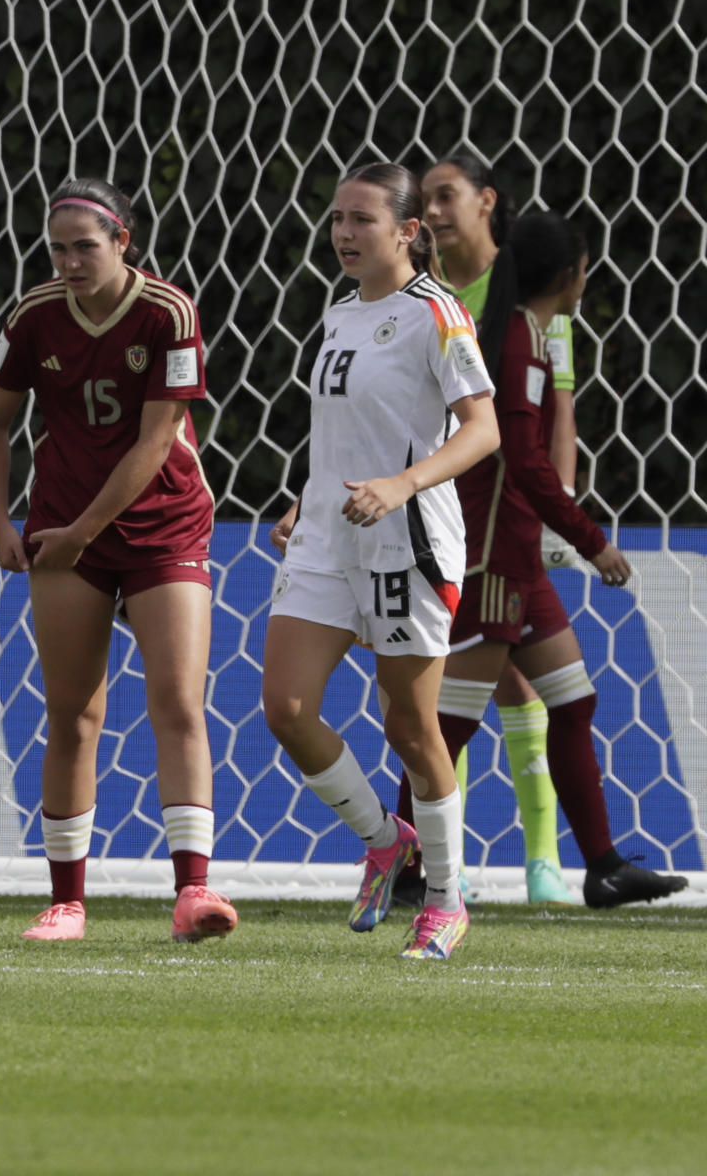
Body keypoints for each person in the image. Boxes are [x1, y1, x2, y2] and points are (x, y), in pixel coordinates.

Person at [0, 178, 237, 944]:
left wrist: (85, 528)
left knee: (178, 703)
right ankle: (66, 903)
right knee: (72, 714)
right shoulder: (32, 314)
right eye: (57, 247)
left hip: (162, 523)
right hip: (62, 530)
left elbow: (158, 441)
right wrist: (0, 521)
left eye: (85, 245)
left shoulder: (168, 311)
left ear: (124, 243)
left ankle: (193, 893)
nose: (69, 260)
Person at [263, 161, 499, 962]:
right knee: (285, 709)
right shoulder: (337, 315)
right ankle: (382, 840)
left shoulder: (439, 314)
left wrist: (402, 483)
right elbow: (341, 432)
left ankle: (444, 898)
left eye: (362, 220)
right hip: (331, 533)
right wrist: (308, 498)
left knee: (409, 724)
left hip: (411, 536)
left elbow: (482, 429)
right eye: (337, 219)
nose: (343, 233)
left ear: (407, 232)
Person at [432, 209, 687, 908]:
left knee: (574, 703)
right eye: (586, 266)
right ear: (571, 274)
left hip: (519, 558)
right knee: (449, 724)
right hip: (492, 559)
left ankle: (601, 866)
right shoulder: (517, 342)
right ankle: (402, 862)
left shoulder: (535, 335)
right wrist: (589, 539)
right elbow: (525, 462)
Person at [408, 156, 585, 905]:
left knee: (508, 680)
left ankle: (541, 858)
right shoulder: (416, 296)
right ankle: (439, 858)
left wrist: (561, 507)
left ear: (486, 204)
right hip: (436, 508)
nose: (435, 213)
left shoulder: (531, 310)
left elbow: (558, 413)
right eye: (424, 202)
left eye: (446, 197)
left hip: (503, 519)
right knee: (464, 689)